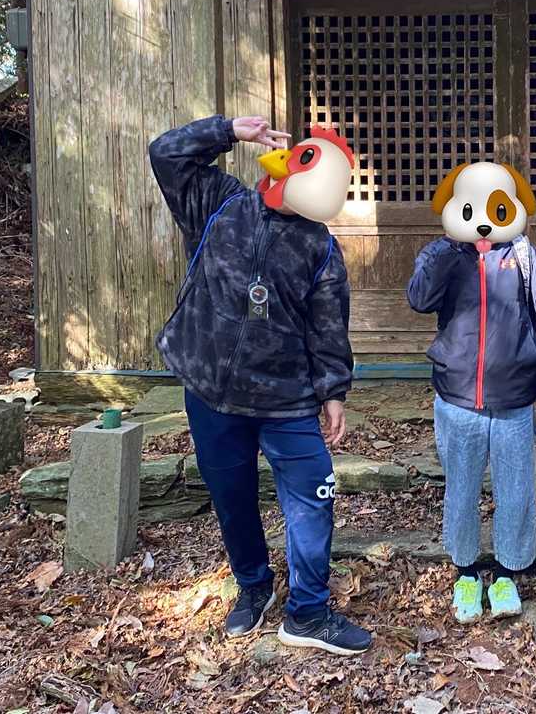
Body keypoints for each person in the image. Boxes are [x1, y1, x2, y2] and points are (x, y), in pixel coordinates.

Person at [149, 114, 371, 655]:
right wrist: (229, 131)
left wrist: (334, 391)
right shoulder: (221, 204)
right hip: (211, 388)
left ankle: (309, 612)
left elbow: (328, 327)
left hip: (287, 397)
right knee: (232, 497)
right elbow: (166, 153)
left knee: (314, 494)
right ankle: (253, 585)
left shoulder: (320, 248)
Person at [407, 161, 536, 623]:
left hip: (514, 398)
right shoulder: (444, 255)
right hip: (457, 399)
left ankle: (506, 573)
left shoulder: (524, 257)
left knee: (515, 491)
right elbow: (418, 299)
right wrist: (447, 246)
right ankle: (466, 572)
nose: (482, 221)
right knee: (460, 490)